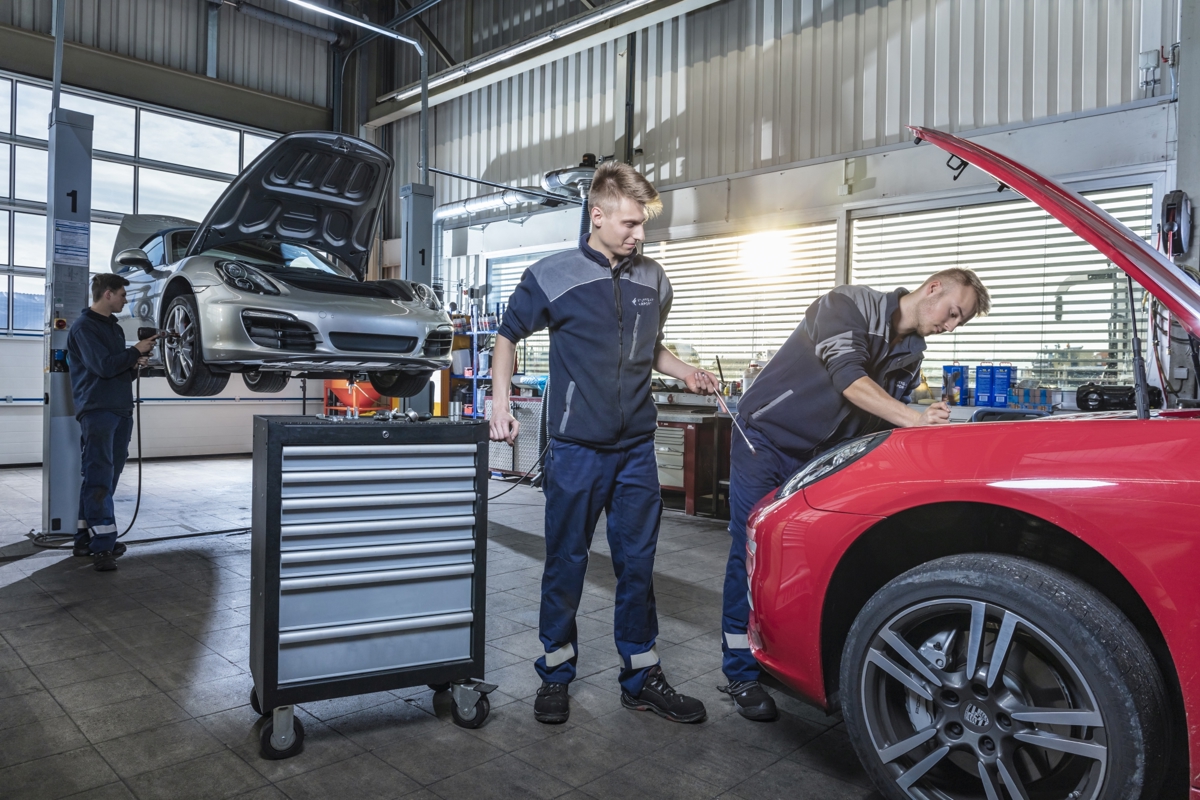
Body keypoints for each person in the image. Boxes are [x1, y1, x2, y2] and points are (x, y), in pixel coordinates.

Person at [490, 161, 720, 725]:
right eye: (630, 224)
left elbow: (651, 347)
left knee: (637, 566)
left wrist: (684, 370)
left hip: (636, 449)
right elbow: (505, 337)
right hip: (575, 449)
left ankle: (641, 676)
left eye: (643, 225)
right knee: (566, 563)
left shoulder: (653, 279)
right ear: (597, 215)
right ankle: (555, 674)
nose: (639, 235)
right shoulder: (553, 274)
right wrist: (498, 404)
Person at [719, 268, 991, 721]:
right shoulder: (847, 305)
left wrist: (923, 416)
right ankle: (741, 672)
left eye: (958, 323)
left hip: (819, 459)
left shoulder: (911, 354)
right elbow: (848, 377)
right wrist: (910, 415)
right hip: (765, 441)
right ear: (934, 287)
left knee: (800, 561)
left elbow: (880, 415)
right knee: (751, 555)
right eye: (952, 313)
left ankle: (777, 654)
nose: (949, 326)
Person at [68, 274, 158, 572]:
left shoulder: (114, 329)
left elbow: (117, 371)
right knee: (99, 475)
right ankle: (103, 548)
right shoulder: (85, 328)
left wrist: (134, 364)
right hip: (98, 410)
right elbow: (102, 367)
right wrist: (135, 351)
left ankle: (84, 538)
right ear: (107, 294)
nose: (125, 299)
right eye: (122, 294)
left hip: (119, 408)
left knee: (107, 475)